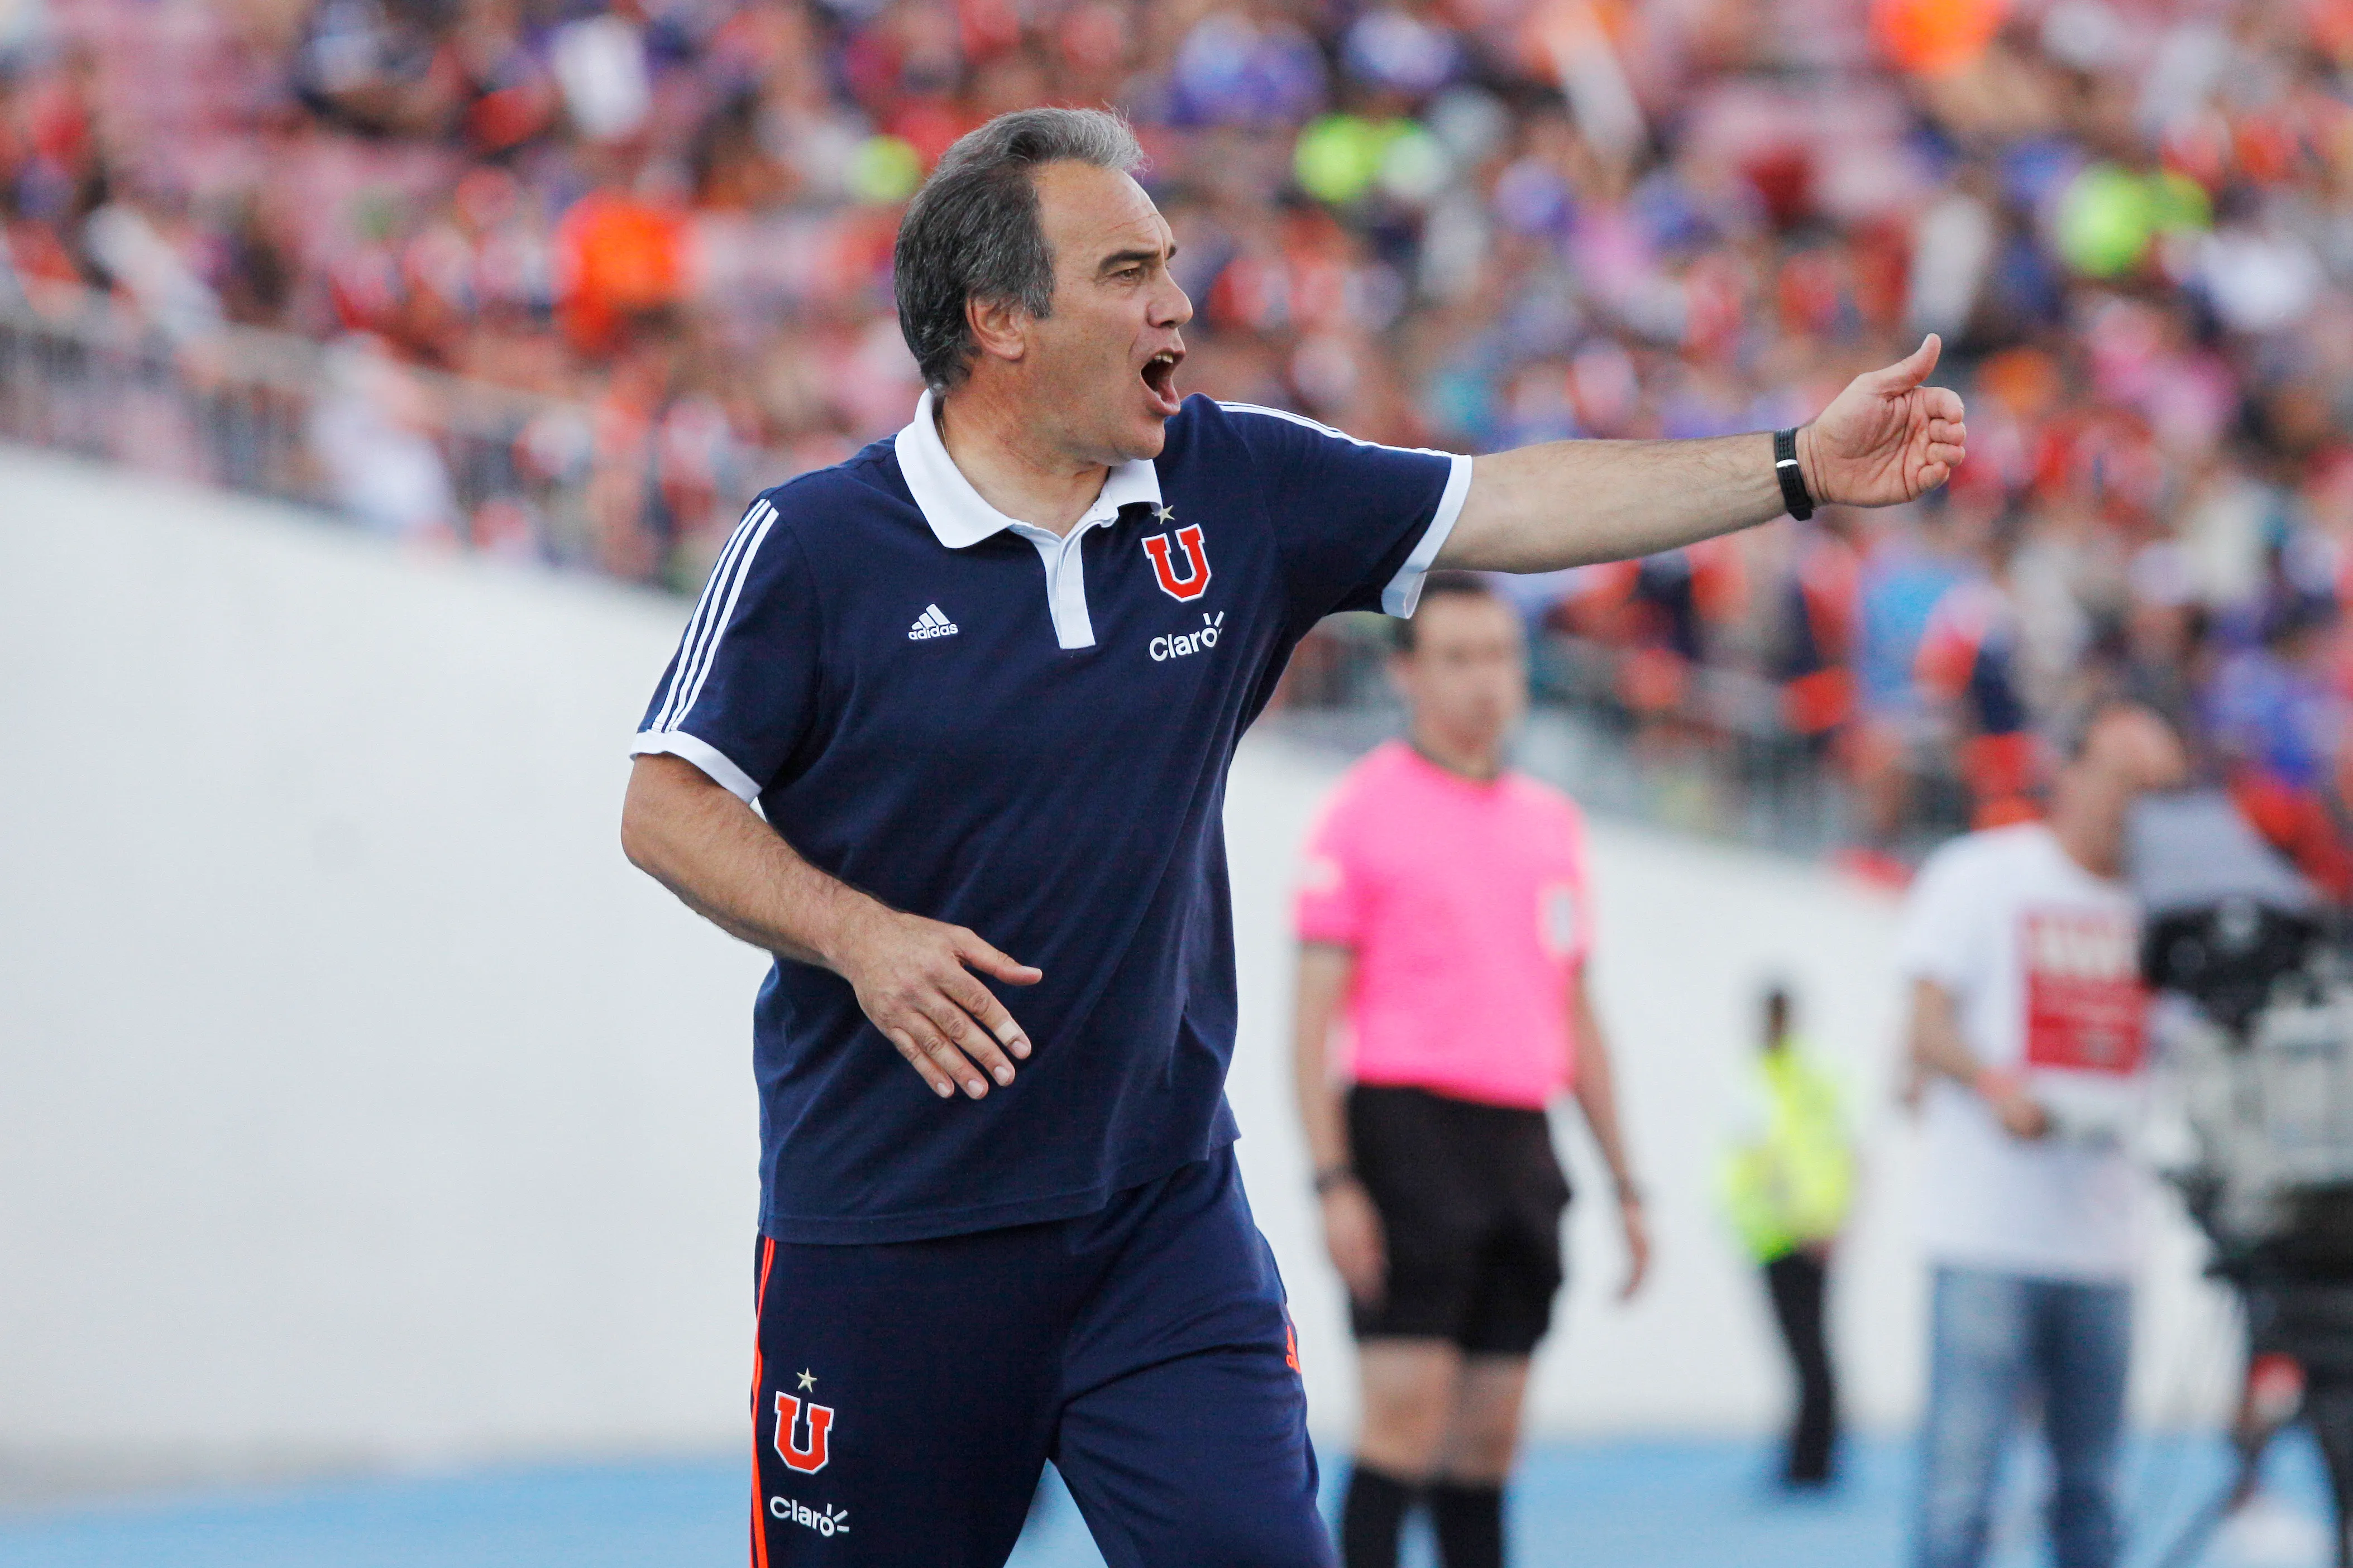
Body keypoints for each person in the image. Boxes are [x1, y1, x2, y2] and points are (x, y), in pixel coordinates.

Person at [616, 105, 1966, 1567]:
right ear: (997, 318)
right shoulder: (814, 545)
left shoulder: (1234, 484)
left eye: (1170, 264)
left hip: (1157, 1232)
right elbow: (663, 801)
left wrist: (1792, 468)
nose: (1177, 305)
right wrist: (856, 936)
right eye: (1128, 271)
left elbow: (1502, 502)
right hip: (888, 1243)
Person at [1289, 572, 1647, 1568]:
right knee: (1402, 1425)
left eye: (1497, 655)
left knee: (1488, 1439)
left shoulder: (1549, 823)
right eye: (1455, 656)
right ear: (1405, 673)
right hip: (1405, 1133)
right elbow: (1308, 1019)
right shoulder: (1360, 810)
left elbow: (1575, 1011)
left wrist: (1625, 1181)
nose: (1482, 680)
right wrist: (1333, 1181)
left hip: (1520, 1142)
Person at [1898, 702, 2187, 1568]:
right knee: (1960, 1494)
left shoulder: (2166, 909)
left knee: (2092, 1494)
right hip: (1986, 1234)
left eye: (2158, 788)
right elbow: (1922, 1021)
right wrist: (1994, 1086)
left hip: (2103, 1244)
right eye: (2124, 778)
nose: (2136, 803)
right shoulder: (1983, 873)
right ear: (2069, 771)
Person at [1719, 984, 1854, 1488]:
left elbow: (1822, 1157)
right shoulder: (1775, 1077)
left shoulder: (1788, 1080)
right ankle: (1810, 1456)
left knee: (1808, 1350)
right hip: (1778, 1233)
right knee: (1805, 1351)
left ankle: (1812, 1462)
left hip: (1796, 1233)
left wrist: (1821, 1221)